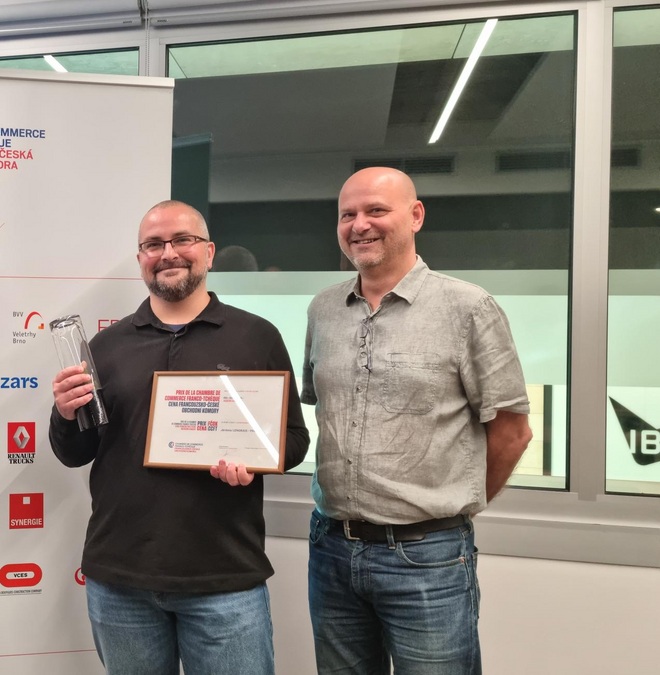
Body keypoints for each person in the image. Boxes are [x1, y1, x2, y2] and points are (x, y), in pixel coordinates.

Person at [50, 200, 310, 675]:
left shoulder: (257, 337)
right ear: (140, 259)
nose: (168, 253)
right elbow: (76, 453)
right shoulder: (106, 346)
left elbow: (294, 440)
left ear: (208, 252)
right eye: (153, 244)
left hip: (224, 578)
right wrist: (66, 414)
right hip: (121, 579)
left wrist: (253, 460)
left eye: (182, 240)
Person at [302, 167, 533, 674]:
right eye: (347, 214)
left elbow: (512, 432)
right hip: (331, 549)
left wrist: (451, 508)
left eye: (376, 210)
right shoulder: (323, 310)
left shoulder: (468, 307)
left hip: (428, 558)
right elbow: (321, 412)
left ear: (415, 216)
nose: (359, 224)